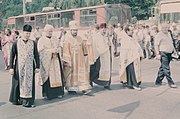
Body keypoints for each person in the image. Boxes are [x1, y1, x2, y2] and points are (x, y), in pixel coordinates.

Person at [9, 24, 40, 107]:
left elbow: (36, 55)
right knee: (18, 83)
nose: (28, 35)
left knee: (29, 84)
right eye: (26, 33)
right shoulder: (16, 43)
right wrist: (11, 67)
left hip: (30, 67)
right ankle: (18, 100)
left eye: (29, 33)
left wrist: (37, 67)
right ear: (23, 33)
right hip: (19, 67)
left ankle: (29, 102)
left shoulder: (33, 43)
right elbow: (12, 55)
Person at [63, 20, 91, 95]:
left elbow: (84, 48)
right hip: (72, 61)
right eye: (73, 30)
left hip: (80, 60)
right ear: (70, 30)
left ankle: (84, 88)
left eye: (76, 30)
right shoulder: (67, 39)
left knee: (82, 74)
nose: (75, 32)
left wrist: (85, 54)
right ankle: (71, 89)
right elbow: (66, 51)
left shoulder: (80, 38)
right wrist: (67, 61)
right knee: (72, 75)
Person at [38, 24, 64, 99]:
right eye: (48, 31)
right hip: (48, 62)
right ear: (45, 31)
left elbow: (60, 46)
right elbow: (41, 51)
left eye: (51, 31)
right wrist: (51, 51)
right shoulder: (41, 40)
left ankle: (59, 92)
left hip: (55, 61)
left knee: (58, 76)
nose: (50, 33)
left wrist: (58, 50)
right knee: (49, 78)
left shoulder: (55, 38)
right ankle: (49, 94)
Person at [119, 26, 143, 90]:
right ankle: (134, 84)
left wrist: (140, 54)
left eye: (132, 30)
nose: (132, 31)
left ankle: (130, 83)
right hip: (128, 58)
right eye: (131, 30)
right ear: (127, 31)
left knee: (132, 71)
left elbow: (137, 46)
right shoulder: (125, 39)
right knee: (132, 71)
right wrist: (125, 58)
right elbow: (124, 50)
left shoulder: (132, 38)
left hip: (134, 57)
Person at [90, 23, 112, 90]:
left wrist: (110, 45)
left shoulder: (106, 36)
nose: (104, 30)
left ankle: (107, 84)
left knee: (108, 70)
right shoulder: (97, 36)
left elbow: (110, 44)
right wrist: (106, 48)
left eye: (105, 29)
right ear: (99, 29)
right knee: (97, 70)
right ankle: (90, 80)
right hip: (100, 56)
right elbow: (98, 47)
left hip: (107, 56)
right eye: (102, 28)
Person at [155, 23, 177, 88]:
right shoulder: (159, 35)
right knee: (166, 68)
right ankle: (171, 82)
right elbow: (156, 45)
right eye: (163, 27)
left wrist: (174, 50)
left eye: (166, 27)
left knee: (163, 67)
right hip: (163, 52)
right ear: (161, 28)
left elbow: (171, 43)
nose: (165, 29)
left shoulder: (169, 33)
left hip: (169, 53)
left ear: (168, 28)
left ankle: (158, 81)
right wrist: (157, 54)